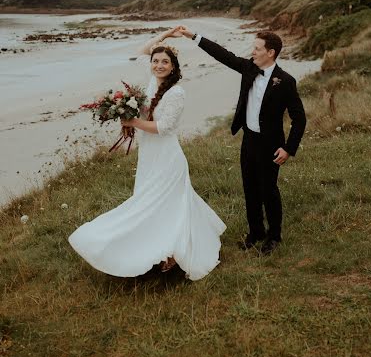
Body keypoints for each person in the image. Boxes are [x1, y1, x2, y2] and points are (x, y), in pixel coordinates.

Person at [69, 27, 226, 280]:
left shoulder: (176, 93)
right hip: (149, 156)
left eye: (165, 62)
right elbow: (142, 50)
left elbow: (162, 128)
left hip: (168, 158)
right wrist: (167, 34)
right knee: (149, 202)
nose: (159, 65)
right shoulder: (152, 83)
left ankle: (174, 252)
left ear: (173, 67)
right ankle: (161, 249)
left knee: (167, 205)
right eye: (156, 61)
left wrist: (133, 122)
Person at [178, 26, 306, 255]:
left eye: (257, 48)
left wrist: (288, 149)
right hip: (249, 141)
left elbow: (299, 119)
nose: (252, 52)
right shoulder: (248, 68)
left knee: (268, 190)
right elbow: (222, 54)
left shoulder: (285, 81)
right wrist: (193, 36)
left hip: (271, 145)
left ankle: (274, 236)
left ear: (271, 53)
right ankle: (255, 232)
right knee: (250, 189)